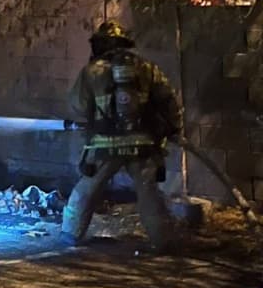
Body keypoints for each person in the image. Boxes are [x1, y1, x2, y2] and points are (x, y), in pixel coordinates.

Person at [61, 21, 183, 252]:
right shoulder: (146, 68)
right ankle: (163, 240)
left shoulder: (91, 71)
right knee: (148, 192)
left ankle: (71, 233)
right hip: (143, 144)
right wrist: (174, 128)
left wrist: (89, 124)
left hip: (104, 144)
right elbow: (169, 100)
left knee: (87, 189)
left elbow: (77, 106)